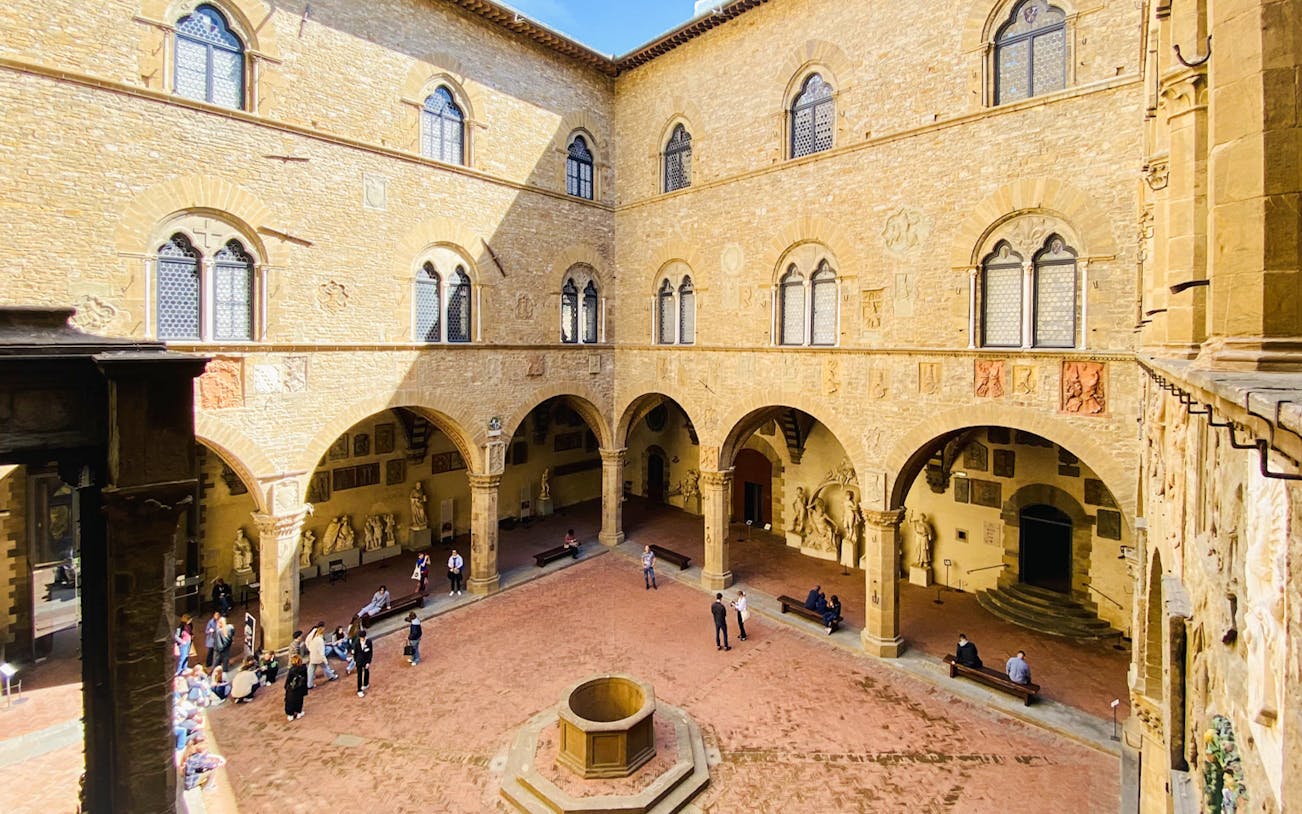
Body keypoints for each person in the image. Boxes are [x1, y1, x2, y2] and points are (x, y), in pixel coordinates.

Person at [305, 621, 339, 688]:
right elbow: (321, 652)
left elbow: (307, 641)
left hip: (313, 655)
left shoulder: (313, 633)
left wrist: (310, 649)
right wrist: (325, 660)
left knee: (311, 670)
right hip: (318, 657)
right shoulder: (320, 640)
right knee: (325, 666)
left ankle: (309, 684)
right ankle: (331, 676)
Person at [283, 654, 308, 721]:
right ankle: (299, 712)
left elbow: (288, 680)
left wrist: (286, 687)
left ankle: (290, 714)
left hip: (292, 688)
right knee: (299, 701)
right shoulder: (304, 668)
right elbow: (305, 679)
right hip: (300, 688)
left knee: (290, 701)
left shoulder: (292, 670)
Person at [354, 628, 373, 697]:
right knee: (359, 675)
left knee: (366, 671)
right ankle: (359, 690)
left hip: (366, 660)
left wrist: (368, 662)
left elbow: (371, 652)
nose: (362, 639)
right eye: (361, 637)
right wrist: (355, 661)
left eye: (363, 637)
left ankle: (366, 684)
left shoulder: (369, 642)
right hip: (359, 661)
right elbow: (355, 653)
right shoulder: (356, 642)